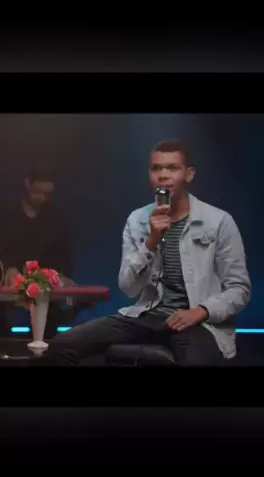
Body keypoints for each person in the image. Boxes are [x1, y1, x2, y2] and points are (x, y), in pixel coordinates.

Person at [48, 139, 251, 366]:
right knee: (61, 346)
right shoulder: (137, 220)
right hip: (147, 315)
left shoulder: (218, 221)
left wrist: (201, 311)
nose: (163, 175)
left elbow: (239, 289)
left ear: (189, 174)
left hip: (196, 322)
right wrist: (151, 241)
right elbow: (128, 288)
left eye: (172, 168)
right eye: (156, 168)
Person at [0, 163, 78, 338]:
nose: (42, 197)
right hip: (8, 285)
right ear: (27, 184)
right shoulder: (6, 216)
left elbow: (65, 256)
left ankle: (43, 348)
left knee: (51, 318)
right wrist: (7, 268)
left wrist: (59, 274)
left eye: (47, 194)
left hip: (46, 287)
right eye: (38, 192)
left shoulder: (57, 220)